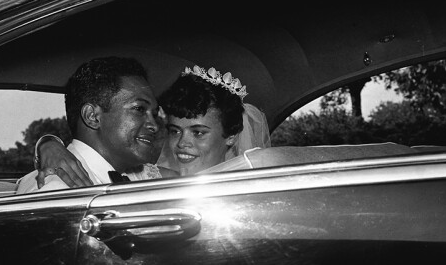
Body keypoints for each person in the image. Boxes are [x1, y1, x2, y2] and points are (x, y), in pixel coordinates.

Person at [33, 64, 270, 186]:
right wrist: (49, 144)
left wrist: (47, 143)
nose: (182, 144)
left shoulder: (254, 178)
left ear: (231, 136)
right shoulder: (154, 176)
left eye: (198, 133)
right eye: (175, 130)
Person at [15, 56, 165, 194]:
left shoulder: (135, 176)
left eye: (155, 114)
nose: (154, 126)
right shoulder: (55, 189)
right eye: (139, 109)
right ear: (92, 116)